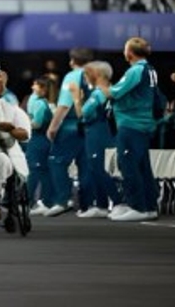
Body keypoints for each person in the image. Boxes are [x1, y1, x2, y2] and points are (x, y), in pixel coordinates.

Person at [99, 37, 160, 222]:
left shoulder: (136, 70)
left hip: (131, 123)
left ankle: (137, 206)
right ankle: (149, 207)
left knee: (129, 166)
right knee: (143, 167)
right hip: (143, 123)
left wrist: (101, 84)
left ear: (129, 53)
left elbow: (115, 92)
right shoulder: (150, 69)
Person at [44, 48, 94, 217]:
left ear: (72, 61)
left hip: (70, 126)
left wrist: (53, 127)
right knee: (86, 166)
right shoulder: (95, 75)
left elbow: (65, 105)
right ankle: (87, 205)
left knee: (56, 162)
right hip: (90, 126)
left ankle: (62, 200)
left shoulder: (72, 76)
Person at [0, 62, 30, 224]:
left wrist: (11, 129)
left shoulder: (11, 109)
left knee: (0, 161)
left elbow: (25, 134)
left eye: (0, 84)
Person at [78, 60, 119, 218]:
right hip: (96, 131)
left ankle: (117, 201)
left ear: (99, 75)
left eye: (88, 73)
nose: (85, 77)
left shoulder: (99, 93)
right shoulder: (101, 91)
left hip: (99, 131)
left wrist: (77, 99)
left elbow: (85, 113)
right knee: (94, 168)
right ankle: (101, 204)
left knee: (100, 167)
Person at [25, 76, 58, 215]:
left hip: (39, 140)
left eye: (36, 85)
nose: (33, 87)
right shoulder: (35, 100)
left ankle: (29, 202)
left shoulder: (40, 103)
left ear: (43, 89)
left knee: (35, 171)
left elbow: (37, 123)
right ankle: (46, 201)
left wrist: (23, 124)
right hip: (40, 140)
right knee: (42, 171)